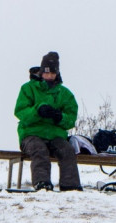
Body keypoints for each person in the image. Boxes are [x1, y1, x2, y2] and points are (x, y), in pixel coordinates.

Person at [14, 51, 82, 191]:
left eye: (52, 73)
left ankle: (71, 187)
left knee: (67, 150)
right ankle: (42, 184)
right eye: (46, 73)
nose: (49, 76)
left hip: (55, 135)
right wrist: (37, 110)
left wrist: (59, 117)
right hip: (31, 134)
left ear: (57, 73)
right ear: (41, 72)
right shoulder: (28, 89)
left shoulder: (65, 94)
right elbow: (20, 111)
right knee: (39, 150)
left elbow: (71, 118)